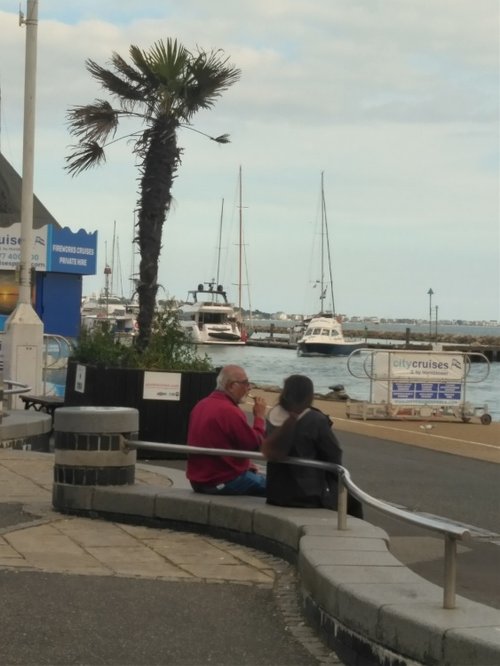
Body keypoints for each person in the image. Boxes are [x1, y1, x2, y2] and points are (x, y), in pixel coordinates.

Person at [262, 374, 363, 518]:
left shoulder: (273, 415)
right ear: (309, 395)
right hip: (308, 495)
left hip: (276, 493)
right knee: (353, 502)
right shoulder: (315, 419)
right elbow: (333, 454)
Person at [186, 364, 268, 496]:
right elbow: (255, 445)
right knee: (278, 488)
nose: (249, 388)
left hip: (198, 480)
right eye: (245, 383)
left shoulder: (201, 405)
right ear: (232, 386)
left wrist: (245, 465)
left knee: (256, 476)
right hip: (220, 481)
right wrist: (259, 417)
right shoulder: (229, 411)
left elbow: (220, 443)